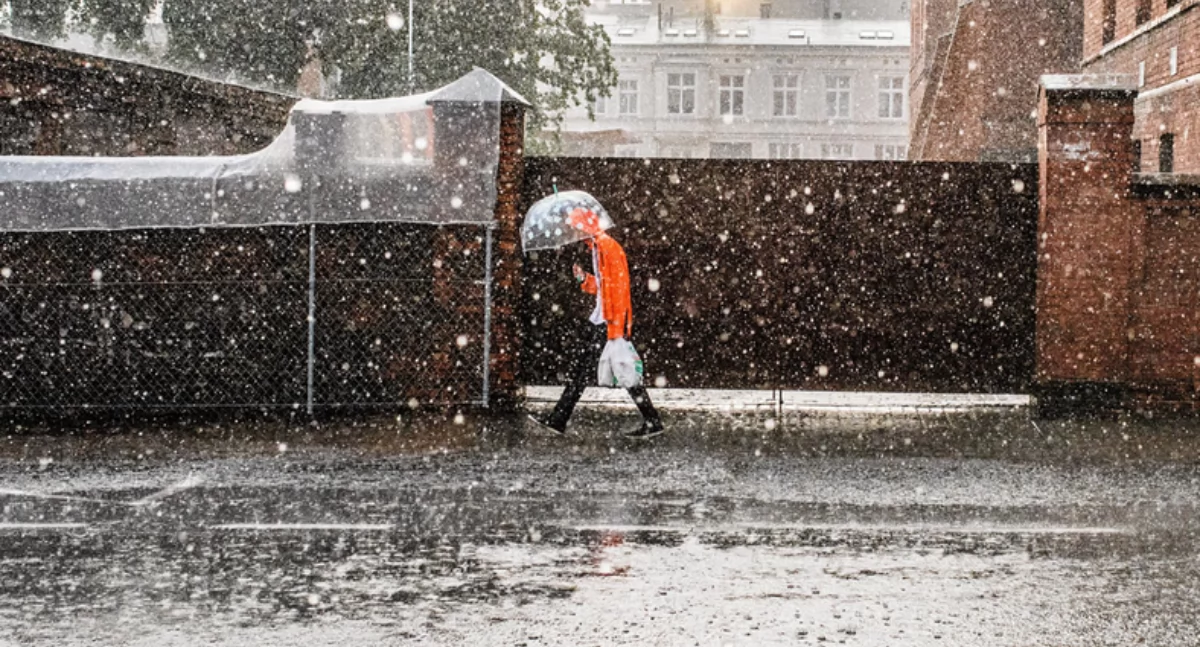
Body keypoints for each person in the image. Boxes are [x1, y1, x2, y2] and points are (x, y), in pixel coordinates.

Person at [529, 208, 664, 439]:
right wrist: (584, 279)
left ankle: (652, 421)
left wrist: (617, 326)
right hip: (602, 319)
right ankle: (559, 418)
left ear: (585, 227)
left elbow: (619, 289)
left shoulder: (608, 249)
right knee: (588, 370)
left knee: (617, 371)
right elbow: (603, 288)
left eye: (576, 227)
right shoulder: (598, 248)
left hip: (607, 321)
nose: (574, 233)